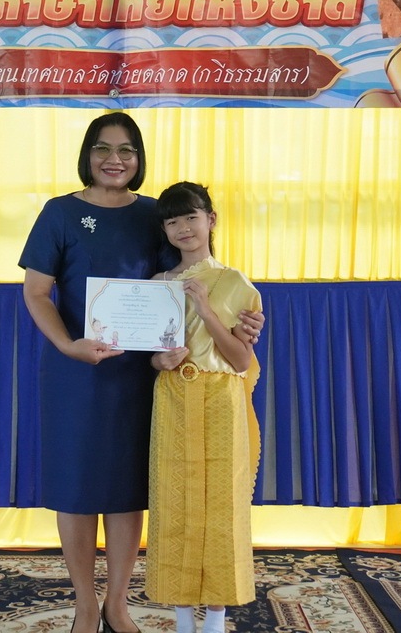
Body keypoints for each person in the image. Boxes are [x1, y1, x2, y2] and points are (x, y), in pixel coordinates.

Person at [19, 113, 264, 633]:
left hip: (145, 375)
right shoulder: (60, 212)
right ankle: (85, 605)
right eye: (103, 148)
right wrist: (67, 345)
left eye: (127, 149)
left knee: (129, 489)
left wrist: (244, 318)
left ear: (139, 157)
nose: (115, 159)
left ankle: (117, 604)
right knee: (76, 488)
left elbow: (193, 273)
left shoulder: (156, 214)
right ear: (87, 154)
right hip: (75, 372)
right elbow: (36, 293)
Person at [146, 182, 262, 633]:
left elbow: (240, 360)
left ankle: (215, 617)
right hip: (173, 396)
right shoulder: (157, 285)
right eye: (172, 220)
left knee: (222, 506)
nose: (183, 228)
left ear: (210, 220)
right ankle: (180, 617)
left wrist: (206, 309)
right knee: (172, 502)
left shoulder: (234, 283)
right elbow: (152, 355)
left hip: (220, 400)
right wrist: (160, 361)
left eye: (191, 217)